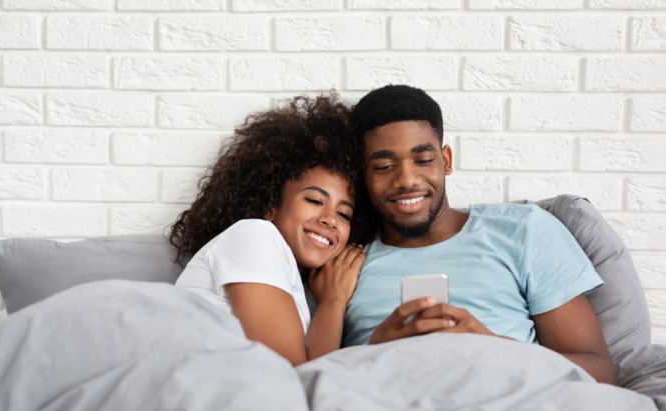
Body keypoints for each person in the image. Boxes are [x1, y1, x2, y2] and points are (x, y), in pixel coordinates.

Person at [344, 85, 618, 385]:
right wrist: (373, 356)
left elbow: (601, 376)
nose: (408, 180)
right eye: (384, 166)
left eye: (423, 160)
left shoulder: (524, 231)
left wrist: (494, 349)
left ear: (446, 160)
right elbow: (308, 383)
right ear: (361, 174)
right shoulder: (342, 262)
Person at [169, 94, 370, 367]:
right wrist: (333, 301)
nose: (330, 219)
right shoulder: (254, 236)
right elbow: (295, 375)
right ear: (270, 204)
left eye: (344, 213)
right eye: (314, 200)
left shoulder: (291, 283)